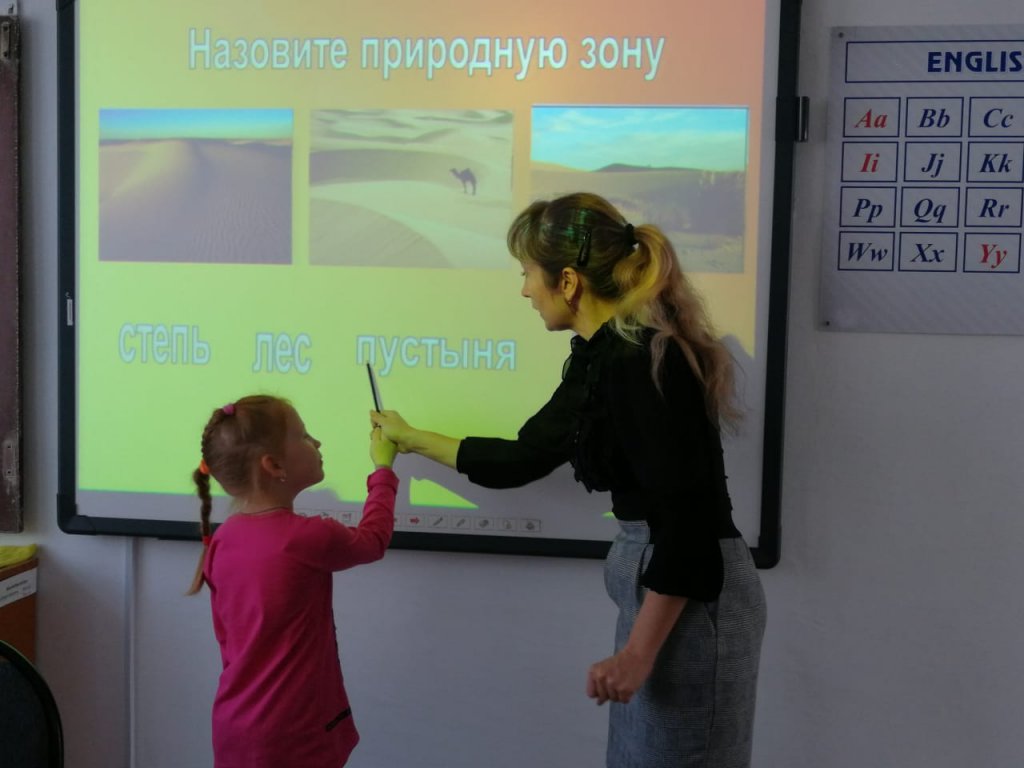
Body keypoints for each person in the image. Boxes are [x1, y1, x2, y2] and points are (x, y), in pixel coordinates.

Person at [371, 192, 766, 767]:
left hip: (688, 601)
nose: (524, 290)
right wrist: (408, 436)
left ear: (568, 281)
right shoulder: (602, 357)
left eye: (527, 273)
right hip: (663, 598)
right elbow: (522, 458)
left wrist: (637, 654)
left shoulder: (640, 362)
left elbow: (688, 528)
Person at [187, 395, 399, 768]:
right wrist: (383, 468)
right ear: (274, 465)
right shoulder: (307, 537)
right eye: (303, 436)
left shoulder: (224, 538)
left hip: (235, 728)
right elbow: (374, 540)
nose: (316, 442)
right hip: (293, 733)